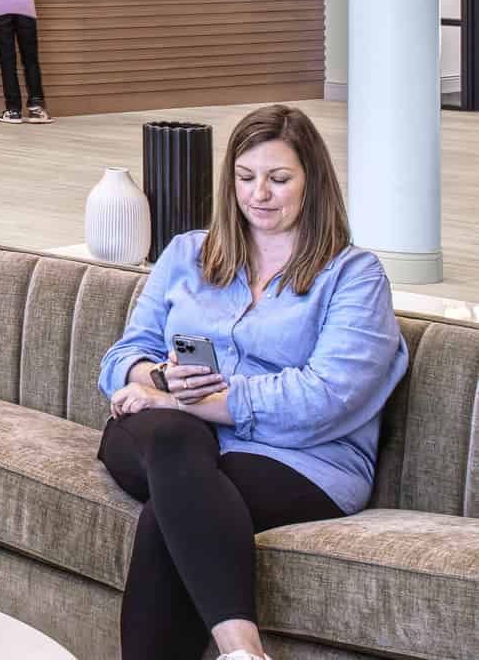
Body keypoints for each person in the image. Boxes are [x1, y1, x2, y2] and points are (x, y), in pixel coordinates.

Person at [96, 105, 407, 660]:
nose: (259, 193)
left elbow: (326, 398)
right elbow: (124, 356)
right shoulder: (187, 252)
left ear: (313, 183)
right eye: (245, 178)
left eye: (279, 178)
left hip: (303, 459)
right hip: (168, 436)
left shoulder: (354, 276)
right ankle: (245, 653)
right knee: (174, 448)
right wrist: (159, 378)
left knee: (170, 509)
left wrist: (189, 402)